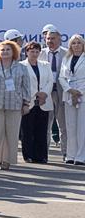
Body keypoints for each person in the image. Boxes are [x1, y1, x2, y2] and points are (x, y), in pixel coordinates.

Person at [0, 40, 33, 171]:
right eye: (2, 49)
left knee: (11, 133)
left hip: (15, 104)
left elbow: (26, 86)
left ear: (14, 52)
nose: (5, 52)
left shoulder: (21, 67)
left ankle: (7, 160)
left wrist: (26, 103)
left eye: (8, 50)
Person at [19, 41, 55, 163]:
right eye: (32, 51)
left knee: (42, 130)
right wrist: (36, 93)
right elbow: (22, 83)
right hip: (28, 101)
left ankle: (41, 156)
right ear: (26, 52)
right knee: (27, 130)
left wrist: (44, 93)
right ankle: (28, 155)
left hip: (44, 101)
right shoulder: (21, 65)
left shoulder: (46, 64)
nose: (34, 54)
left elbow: (50, 81)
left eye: (37, 51)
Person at [41, 25, 68, 153]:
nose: (50, 41)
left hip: (61, 92)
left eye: (53, 38)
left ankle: (66, 152)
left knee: (63, 125)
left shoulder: (67, 53)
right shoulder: (40, 53)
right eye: (48, 39)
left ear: (59, 39)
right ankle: (43, 152)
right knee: (45, 125)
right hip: (46, 94)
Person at [61, 35, 85, 165]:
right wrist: (70, 90)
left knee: (82, 127)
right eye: (74, 43)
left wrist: (79, 92)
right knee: (70, 126)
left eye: (79, 43)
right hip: (69, 95)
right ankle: (71, 155)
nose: (76, 45)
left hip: (82, 95)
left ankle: (81, 156)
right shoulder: (66, 58)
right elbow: (61, 77)